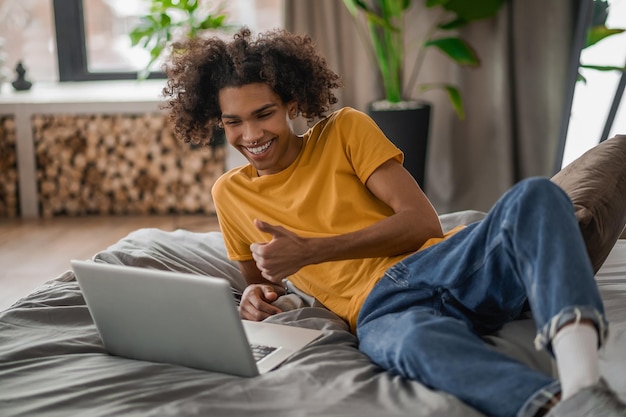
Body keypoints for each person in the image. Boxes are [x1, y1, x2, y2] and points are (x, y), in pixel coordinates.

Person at [162, 27, 626, 417]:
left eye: (263, 114)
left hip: (441, 264)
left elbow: (421, 222)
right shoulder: (229, 193)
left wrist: (314, 249)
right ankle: (561, 407)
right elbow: (265, 285)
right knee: (411, 347)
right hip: (378, 311)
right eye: (234, 122)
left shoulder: (345, 130)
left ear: (290, 102)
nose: (252, 135)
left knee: (537, 196)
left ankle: (585, 380)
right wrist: (254, 296)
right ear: (217, 122)